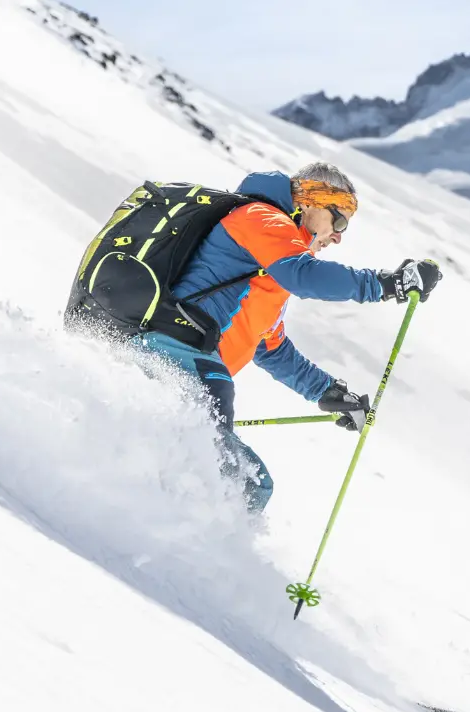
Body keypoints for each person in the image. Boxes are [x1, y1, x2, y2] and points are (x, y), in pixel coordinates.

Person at [138, 162, 440, 512]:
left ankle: (181, 542)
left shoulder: (271, 265)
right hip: (177, 349)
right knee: (224, 477)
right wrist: (386, 284)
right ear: (311, 201)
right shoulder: (261, 218)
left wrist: (328, 392)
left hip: (189, 361)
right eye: (338, 221)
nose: (338, 236)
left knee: (251, 486)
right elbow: (304, 276)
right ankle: (162, 542)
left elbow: (271, 346)